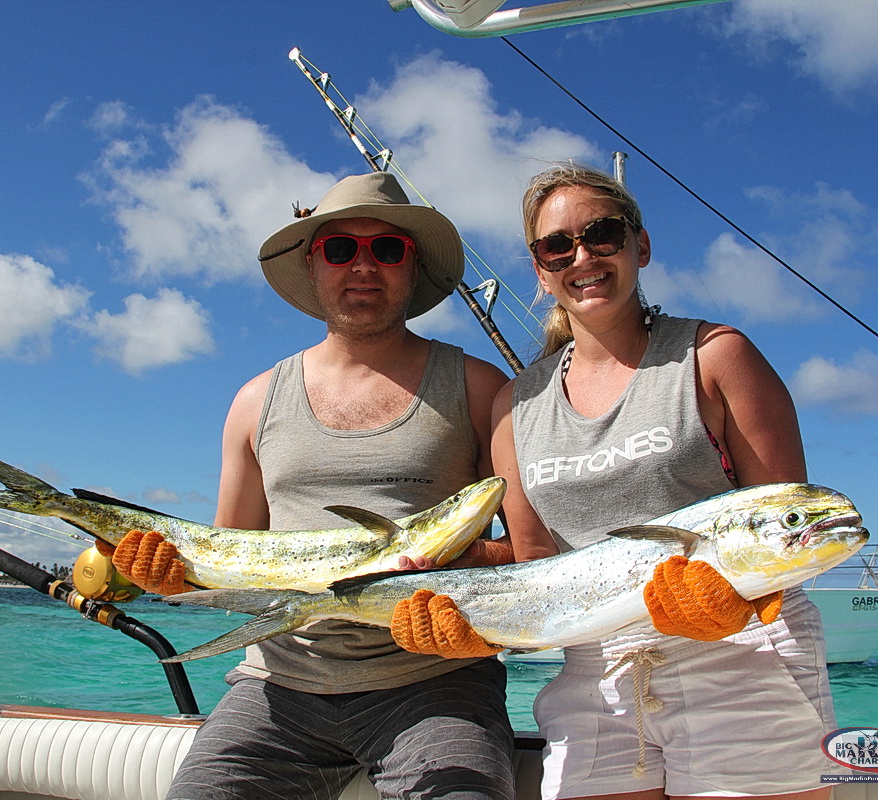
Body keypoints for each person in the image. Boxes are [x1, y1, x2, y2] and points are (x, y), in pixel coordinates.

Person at [395, 162, 837, 800]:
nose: (583, 256)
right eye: (558, 246)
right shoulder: (515, 404)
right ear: (541, 272)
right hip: (595, 672)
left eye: (603, 234)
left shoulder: (715, 356)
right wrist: (467, 617)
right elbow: (534, 563)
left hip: (745, 658)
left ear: (641, 245)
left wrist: (735, 605)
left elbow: (785, 526)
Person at [116, 171, 518, 800]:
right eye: (340, 249)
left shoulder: (478, 385)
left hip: (437, 682)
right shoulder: (254, 401)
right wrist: (171, 576)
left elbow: (534, 550)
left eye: (387, 249)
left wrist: (463, 563)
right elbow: (229, 559)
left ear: (412, 268)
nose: (364, 266)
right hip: (277, 684)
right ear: (313, 264)